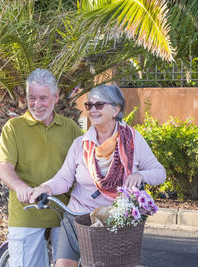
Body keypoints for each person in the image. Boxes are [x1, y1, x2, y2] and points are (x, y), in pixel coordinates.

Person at [29, 84, 166, 267]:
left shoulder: (132, 140)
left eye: (99, 105)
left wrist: (140, 175)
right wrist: (46, 187)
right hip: (77, 217)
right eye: (89, 105)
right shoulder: (81, 144)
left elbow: (159, 173)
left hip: (114, 222)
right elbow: (63, 178)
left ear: (115, 110)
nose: (93, 110)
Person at [0, 68, 83, 267]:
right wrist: (22, 188)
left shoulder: (70, 128)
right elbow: (5, 169)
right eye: (31, 98)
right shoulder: (14, 127)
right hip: (27, 211)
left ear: (56, 97)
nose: (37, 104)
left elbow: (87, 163)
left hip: (64, 212)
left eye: (43, 98)